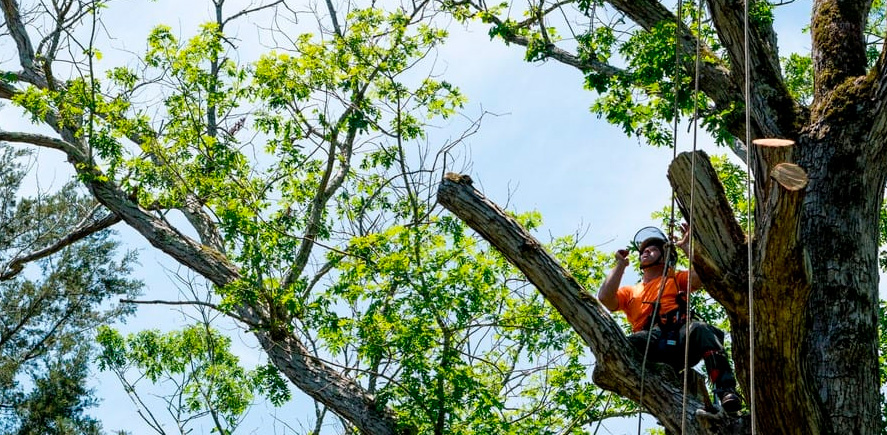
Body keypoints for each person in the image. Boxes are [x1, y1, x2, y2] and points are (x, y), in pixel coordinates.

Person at [597, 223, 742, 414]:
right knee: (626, 343)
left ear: (664, 256)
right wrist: (620, 266)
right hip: (649, 340)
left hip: (678, 336)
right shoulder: (631, 291)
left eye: (652, 250)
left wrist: (686, 248)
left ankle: (725, 391)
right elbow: (605, 298)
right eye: (644, 251)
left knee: (702, 330)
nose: (645, 253)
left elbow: (700, 277)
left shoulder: (675, 278)